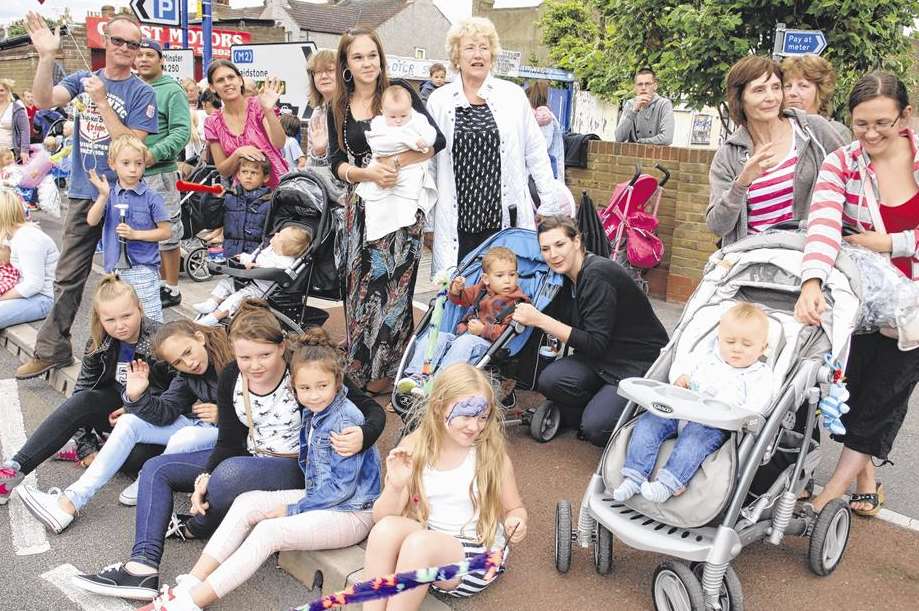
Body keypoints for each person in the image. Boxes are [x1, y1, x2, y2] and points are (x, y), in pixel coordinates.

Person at [74, 301, 387, 600]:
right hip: (251, 457)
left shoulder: (305, 369)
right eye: (245, 358)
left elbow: (371, 410)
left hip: (295, 467)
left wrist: (363, 434)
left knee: (230, 475)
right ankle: (141, 567)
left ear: (281, 347)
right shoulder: (232, 377)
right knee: (158, 467)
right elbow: (229, 441)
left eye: (264, 355)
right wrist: (205, 476)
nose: (254, 366)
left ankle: (199, 526)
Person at [138, 327, 381, 611]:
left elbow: (342, 490)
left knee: (268, 531)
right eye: (304, 388)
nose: (313, 395)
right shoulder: (317, 411)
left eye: (321, 386)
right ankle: (191, 583)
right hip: (321, 496)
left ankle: (190, 603)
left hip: (350, 511)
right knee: (247, 502)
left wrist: (291, 509)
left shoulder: (343, 421)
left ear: (338, 383)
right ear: (295, 388)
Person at [795, 71, 919, 517]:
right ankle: (866, 477)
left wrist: (891, 243)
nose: (869, 134)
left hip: (914, 309)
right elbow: (825, 225)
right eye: (860, 123)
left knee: (885, 395)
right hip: (861, 299)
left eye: (882, 123)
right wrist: (811, 280)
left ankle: (832, 492)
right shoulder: (842, 162)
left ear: (905, 115)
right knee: (849, 390)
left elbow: (891, 240)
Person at [17, 12, 158, 380]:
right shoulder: (84, 80)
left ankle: (136, 363)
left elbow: (133, 146)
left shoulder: (142, 92)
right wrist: (48, 56)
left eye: (133, 43)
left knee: (127, 279)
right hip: (84, 191)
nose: (126, 49)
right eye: (119, 41)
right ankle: (52, 349)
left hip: (128, 196)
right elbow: (45, 100)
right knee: (68, 275)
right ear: (105, 42)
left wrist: (104, 103)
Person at [15, 321, 232, 531]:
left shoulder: (234, 355)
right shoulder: (186, 375)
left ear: (199, 338)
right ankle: (69, 502)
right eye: (178, 362)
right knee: (129, 422)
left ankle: (149, 478)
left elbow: (263, 408)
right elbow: (165, 412)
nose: (189, 363)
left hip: (227, 432)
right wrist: (135, 396)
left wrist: (226, 415)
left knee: (184, 437)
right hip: (199, 422)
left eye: (188, 352)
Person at [327, 29, 445, 393]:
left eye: (372, 55)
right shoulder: (338, 104)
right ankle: (360, 365)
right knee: (358, 285)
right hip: (359, 204)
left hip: (402, 204)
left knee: (392, 287)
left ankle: (389, 370)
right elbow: (335, 161)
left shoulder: (401, 94)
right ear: (346, 64)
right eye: (358, 57)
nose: (367, 63)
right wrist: (367, 173)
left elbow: (435, 140)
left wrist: (394, 163)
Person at [364, 363, 527, 609]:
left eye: (482, 417)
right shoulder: (414, 446)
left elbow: (514, 508)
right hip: (426, 545)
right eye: (466, 415)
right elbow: (381, 518)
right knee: (384, 531)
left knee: (419, 544)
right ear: (439, 407)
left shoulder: (490, 455)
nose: (475, 426)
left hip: (474, 558)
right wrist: (396, 487)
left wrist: (518, 521)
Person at [0, 275, 171, 507]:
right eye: (110, 319)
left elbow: (178, 396)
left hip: (152, 415)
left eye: (127, 316)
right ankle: (13, 471)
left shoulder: (161, 340)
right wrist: (85, 446)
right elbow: (82, 393)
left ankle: (96, 444)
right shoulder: (99, 343)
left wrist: (135, 406)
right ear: (99, 319)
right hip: (115, 410)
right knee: (83, 401)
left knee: (135, 460)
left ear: (140, 308)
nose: (120, 325)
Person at [511, 215, 669, 446]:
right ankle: (597, 408)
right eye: (545, 249)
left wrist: (540, 319)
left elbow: (595, 343)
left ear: (577, 242)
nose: (553, 255)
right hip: (600, 359)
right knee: (550, 380)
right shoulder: (564, 278)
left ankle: (629, 413)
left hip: (634, 364)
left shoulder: (597, 275)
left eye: (559, 244)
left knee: (596, 428)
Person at [427, 17, 556, 272]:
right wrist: (429, 222)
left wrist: (549, 202)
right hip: (457, 221)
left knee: (504, 295)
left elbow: (536, 151)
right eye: (470, 48)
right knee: (459, 296)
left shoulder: (512, 95)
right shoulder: (439, 101)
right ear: (456, 56)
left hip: (503, 219)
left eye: (484, 47)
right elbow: (430, 164)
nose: (478, 55)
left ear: (492, 54)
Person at [612, 303, 772, 503]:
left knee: (693, 442)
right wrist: (680, 377)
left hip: (712, 424)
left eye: (746, 345)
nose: (737, 349)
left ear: (763, 348)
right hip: (680, 411)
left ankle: (669, 484)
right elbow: (681, 365)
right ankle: (634, 476)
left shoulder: (759, 374)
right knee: (648, 422)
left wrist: (741, 413)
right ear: (718, 340)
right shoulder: (706, 357)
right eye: (729, 341)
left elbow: (759, 404)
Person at [706, 56, 846, 246]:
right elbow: (717, 226)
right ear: (740, 98)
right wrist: (742, 183)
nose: (771, 97)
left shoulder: (813, 130)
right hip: (751, 260)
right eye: (759, 90)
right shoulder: (728, 155)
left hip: (807, 253)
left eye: (776, 87)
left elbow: (851, 178)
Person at [399, 246, 529, 392]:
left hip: (487, 345)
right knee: (437, 337)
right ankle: (417, 376)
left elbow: (506, 333)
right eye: (500, 276)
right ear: (486, 279)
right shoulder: (482, 290)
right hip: (461, 335)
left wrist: (483, 329)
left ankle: (440, 383)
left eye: (512, 275)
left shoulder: (516, 302)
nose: (507, 280)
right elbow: (461, 299)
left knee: (466, 343)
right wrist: (456, 291)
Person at [86, 135, 171, 322]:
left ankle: (151, 351)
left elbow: (166, 231)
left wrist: (136, 234)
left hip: (143, 268)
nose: (133, 169)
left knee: (150, 319)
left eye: (138, 163)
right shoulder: (109, 194)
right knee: (119, 320)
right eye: (126, 163)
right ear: (112, 164)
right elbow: (92, 220)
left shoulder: (151, 196)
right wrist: (102, 196)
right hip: (113, 269)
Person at [134, 39, 191, 310]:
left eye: (149, 54)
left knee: (167, 233)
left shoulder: (172, 90)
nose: (143, 59)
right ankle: (152, 282)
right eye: (139, 54)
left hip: (160, 173)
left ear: (161, 60)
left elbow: (182, 131)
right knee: (141, 230)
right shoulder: (132, 87)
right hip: (131, 175)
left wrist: (154, 153)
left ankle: (172, 287)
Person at [354, 85, 438, 242]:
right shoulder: (379, 123)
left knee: (409, 192)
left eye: (403, 115)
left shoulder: (418, 119)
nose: (398, 120)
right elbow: (377, 142)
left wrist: (423, 140)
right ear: (382, 111)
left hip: (409, 170)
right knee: (377, 204)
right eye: (393, 117)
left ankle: (407, 217)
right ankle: (377, 229)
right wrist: (409, 140)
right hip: (380, 171)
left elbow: (433, 136)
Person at [193, 225, 312, 325]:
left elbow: (263, 266)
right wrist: (245, 257)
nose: (275, 234)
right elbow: (254, 258)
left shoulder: (284, 261)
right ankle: (212, 303)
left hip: (261, 291)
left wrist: (249, 262)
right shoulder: (270, 249)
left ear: (283, 246)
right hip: (249, 281)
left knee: (235, 299)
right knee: (225, 283)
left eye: (278, 235)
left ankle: (213, 318)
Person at [203, 60, 287, 189]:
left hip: (279, 190)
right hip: (245, 198)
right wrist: (238, 153)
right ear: (212, 87)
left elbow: (279, 143)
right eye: (220, 80)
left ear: (240, 80)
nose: (227, 83)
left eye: (231, 77)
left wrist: (268, 110)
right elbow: (223, 170)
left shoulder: (258, 105)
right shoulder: (212, 122)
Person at [0, 187, 58, 328]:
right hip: (30, 296)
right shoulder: (16, 235)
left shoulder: (28, 238)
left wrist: (2, 297)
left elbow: (33, 284)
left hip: (42, 299)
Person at [781, 54, 851, 141]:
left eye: (803, 86)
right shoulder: (774, 130)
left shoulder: (835, 131)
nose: (792, 93)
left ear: (820, 91)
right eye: (788, 86)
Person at [219, 157, 273, 259]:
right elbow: (211, 221)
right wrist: (215, 200)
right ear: (238, 175)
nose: (248, 176)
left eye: (254, 173)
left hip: (255, 259)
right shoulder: (230, 197)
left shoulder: (269, 202)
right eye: (244, 172)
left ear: (265, 177)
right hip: (231, 256)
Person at [614, 68, 674, 146]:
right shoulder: (630, 104)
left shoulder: (664, 104)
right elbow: (619, 138)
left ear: (655, 86)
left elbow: (667, 138)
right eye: (640, 84)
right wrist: (634, 111)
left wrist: (641, 142)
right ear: (635, 87)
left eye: (647, 84)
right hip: (632, 155)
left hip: (656, 155)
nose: (643, 88)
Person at [527, 80, 565, 181]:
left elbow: (542, 145)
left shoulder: (540, 118)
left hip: (542, 172)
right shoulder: (547, 116)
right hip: (549, 171)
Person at [0, 79, 31, 163]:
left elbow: (24, 130)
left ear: (8, 91)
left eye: (2, 90)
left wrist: (24, 150)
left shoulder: (17, 108)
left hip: (9, 152)